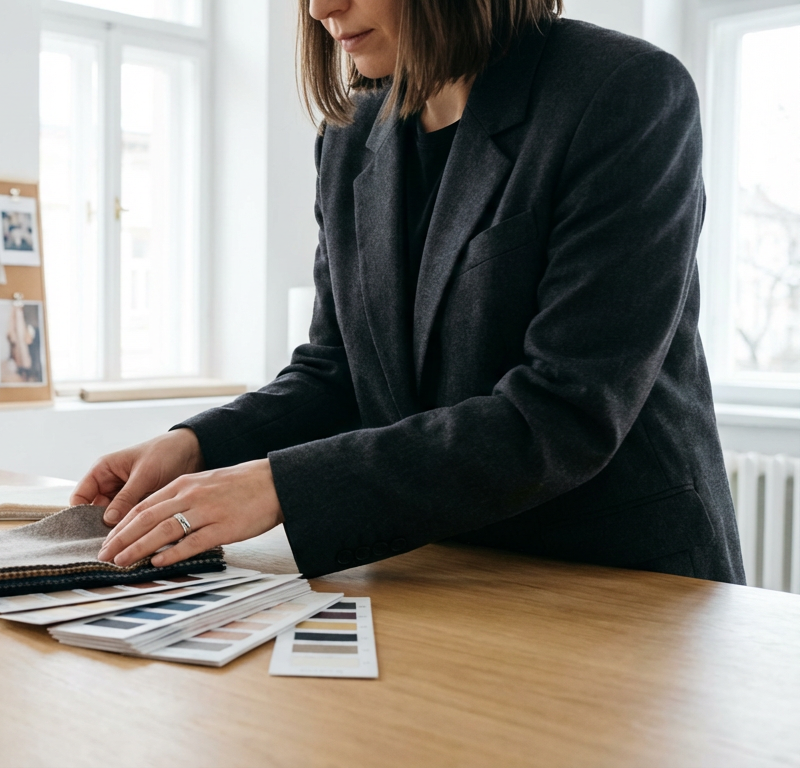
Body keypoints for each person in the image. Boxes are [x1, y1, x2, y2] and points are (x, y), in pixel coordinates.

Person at [78, 0, 745, 584]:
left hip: (624, 581)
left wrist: (282, 485)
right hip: (450, 571)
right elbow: (336, 371)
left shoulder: (626, 92)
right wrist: (198, 447)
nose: (320, 8)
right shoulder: (349, 137)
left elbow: (565, 413)